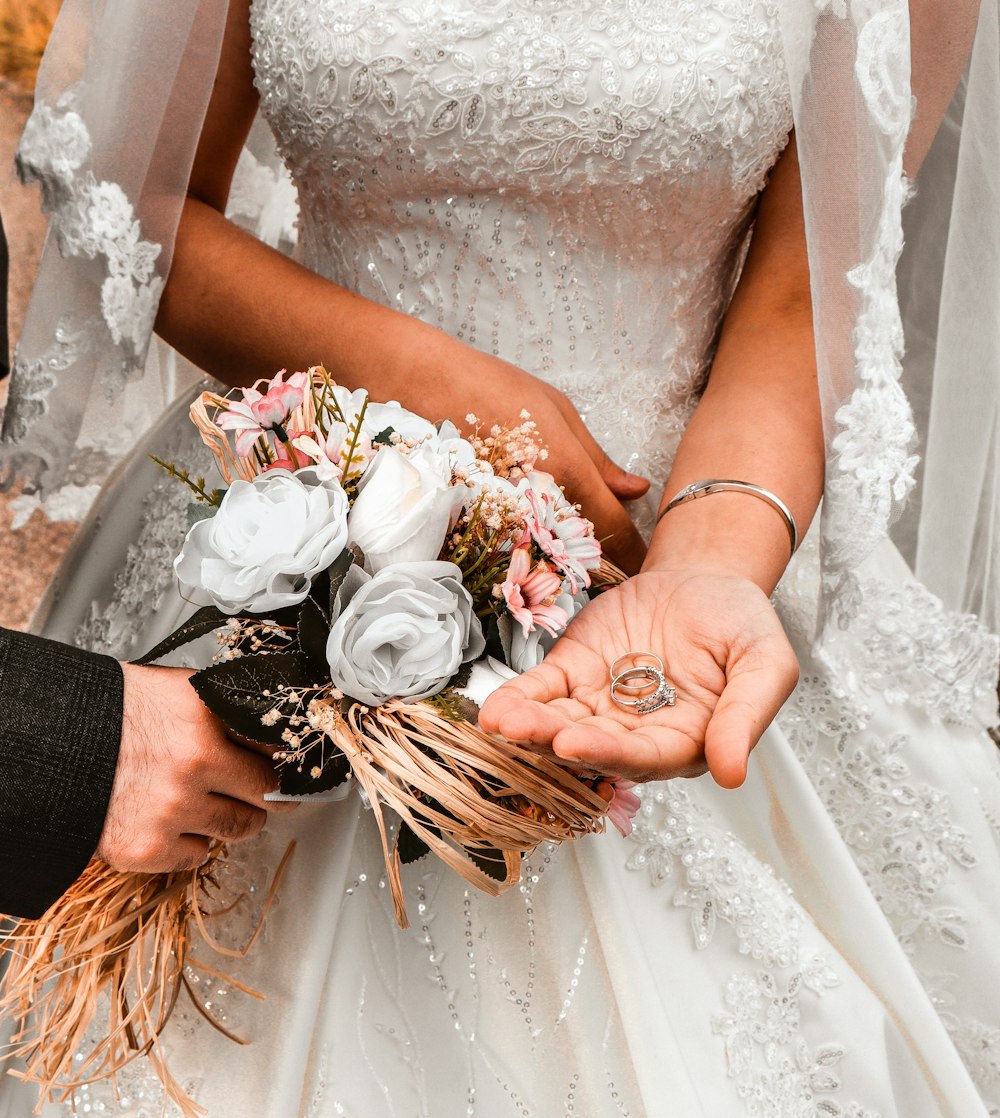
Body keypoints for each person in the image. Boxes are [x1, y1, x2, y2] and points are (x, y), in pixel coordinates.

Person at [1, 2, 998, 1116]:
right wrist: (431, 392)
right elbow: (135, 207)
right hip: (302, 517)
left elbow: (810, 287)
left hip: (679, 533)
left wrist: (710, 557)